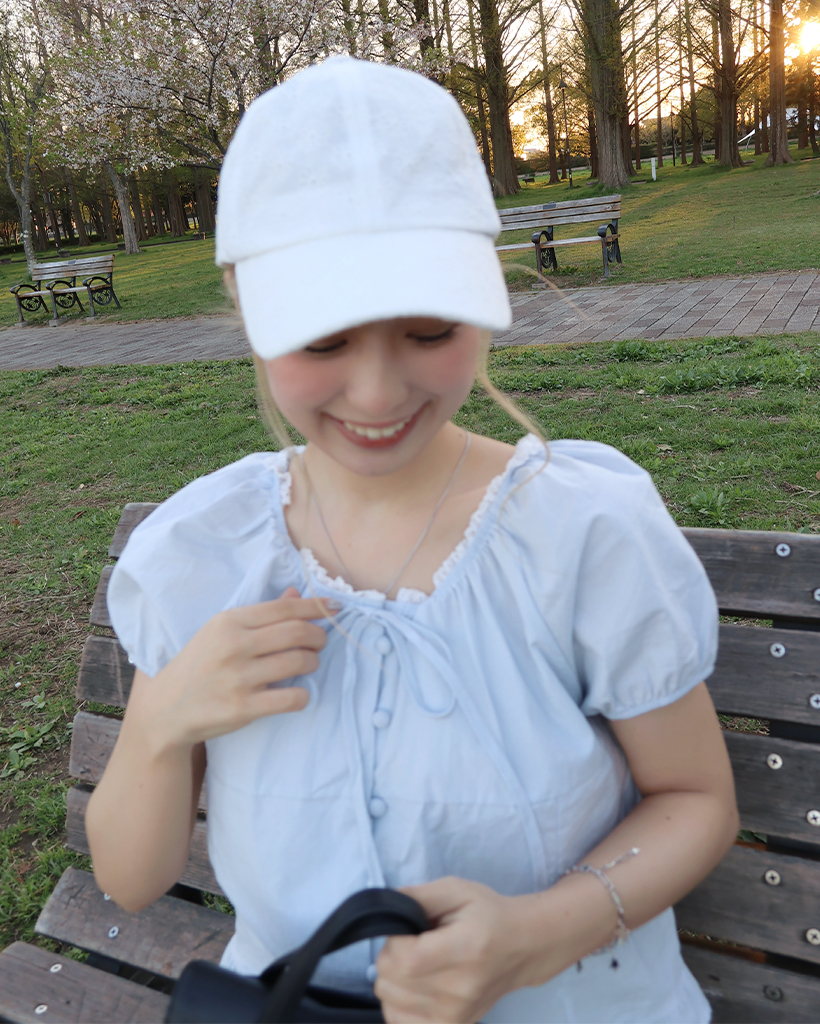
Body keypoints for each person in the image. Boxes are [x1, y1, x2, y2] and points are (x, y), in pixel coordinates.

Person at [88, 57, 738, 1023]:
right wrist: (158, 725)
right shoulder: (204, 555)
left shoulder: (581, 534)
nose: (378, 392)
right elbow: (131, 880)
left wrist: (541, 933)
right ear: (247, 313)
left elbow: (695, 796)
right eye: (323, 341)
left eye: (430, 332)